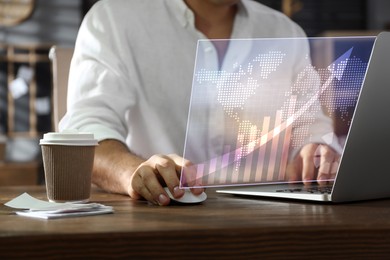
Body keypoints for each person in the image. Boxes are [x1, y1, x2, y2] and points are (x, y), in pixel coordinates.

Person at [60, 0, 339, 206]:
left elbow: (309, 127)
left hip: (269, 219)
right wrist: (135, 171)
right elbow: (84, 137)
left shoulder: (285, 32)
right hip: (159, 217)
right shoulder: (114, 19)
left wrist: (315, 151)